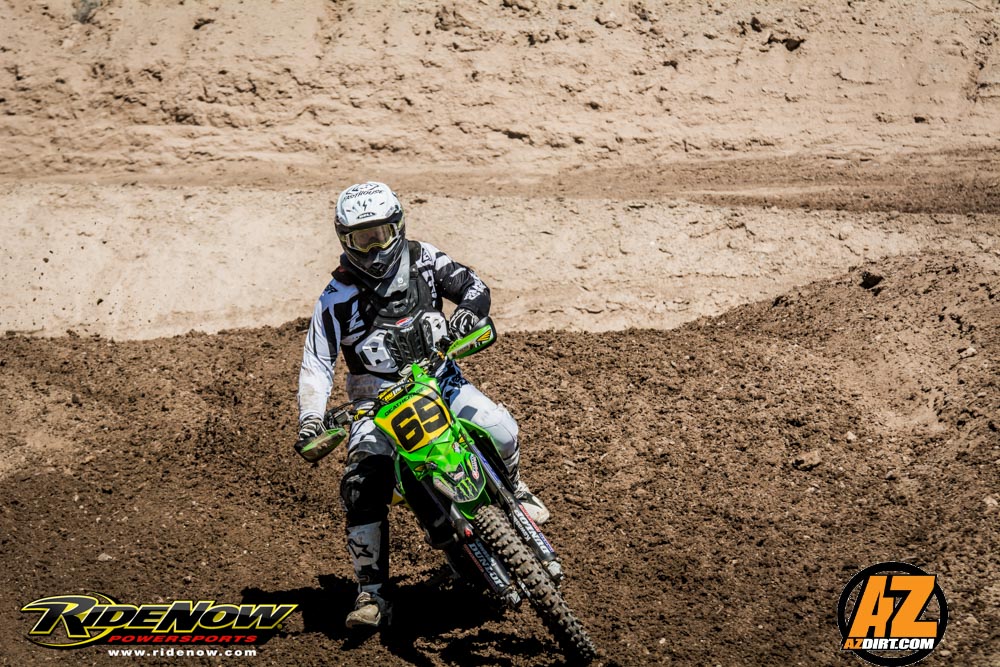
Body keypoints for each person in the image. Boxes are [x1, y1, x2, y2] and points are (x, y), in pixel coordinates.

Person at [295, 181, 550, 630]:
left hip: (440, 379)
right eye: (362, 239)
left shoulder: (426, 259)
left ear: (398, 227)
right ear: (344, 239)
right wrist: (311, 420)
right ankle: (372, 593)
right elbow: (317, 363)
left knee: (501, 428)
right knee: (360, 485)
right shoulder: (335, 298)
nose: (374, 249)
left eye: (380, 235)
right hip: (375, 404)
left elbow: (473, 285)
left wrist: (468, 311)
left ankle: (515, 486)